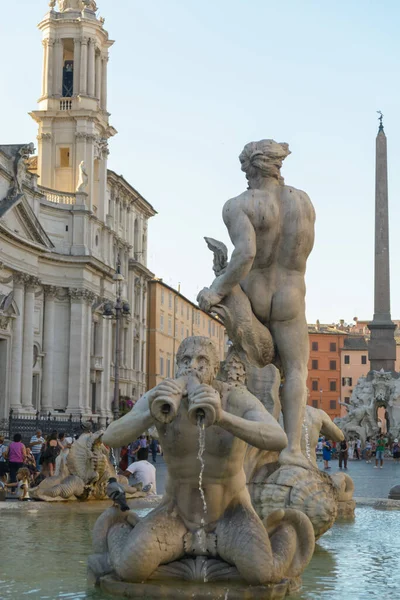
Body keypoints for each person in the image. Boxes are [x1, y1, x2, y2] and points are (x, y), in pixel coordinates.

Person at [101, 336, 300, 584]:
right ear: (176, 365)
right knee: (131, 569)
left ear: (216, 369)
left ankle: (283, 532)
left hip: (230, 514)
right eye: (185, 360)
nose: (192, 367)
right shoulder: (161, 395)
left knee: (262, 573)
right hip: (177, 515)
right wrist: (149, 415)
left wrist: (223, 417)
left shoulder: (234, 397)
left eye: (201, 360)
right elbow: (111, 436)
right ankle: (121, 527)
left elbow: (278, 438)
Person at [197, 139, 315, 470]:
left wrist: (217, 290)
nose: (245, 177)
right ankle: (292, 449)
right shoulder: (303, 203)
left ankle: (241, 448)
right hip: (291, 295)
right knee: (295, 370)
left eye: (244, 170)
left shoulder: (239, 204)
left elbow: (246, 253)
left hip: (254, 296)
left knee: (241, 368)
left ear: (251, 168)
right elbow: (302, 251)